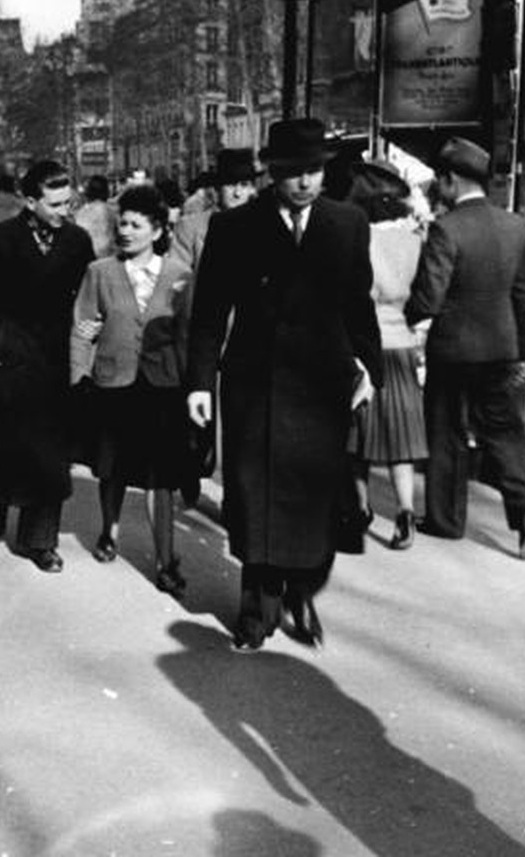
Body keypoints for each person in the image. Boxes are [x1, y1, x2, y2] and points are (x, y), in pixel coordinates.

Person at [186, 119, 382, 652]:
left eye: (314, 171)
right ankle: (257, 611)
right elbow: (208, 314)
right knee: (256, 498)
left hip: (323, 386)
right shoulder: (235, 228)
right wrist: (199, 383)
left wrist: (369, 369)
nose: (304, 183)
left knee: (311, 499)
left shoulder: (347, 224)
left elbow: (358, 307)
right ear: (273, 173)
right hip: (255, 385)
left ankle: (301, 593)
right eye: (294, 173)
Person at [404, 137, 525, 560]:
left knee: (445, 433)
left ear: (450, 181)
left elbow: (428, 298)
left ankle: (446, 520)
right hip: (502, 349)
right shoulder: (514, 225)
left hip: (453, 351)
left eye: (440, 181)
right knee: (504, 433)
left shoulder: (447, 229)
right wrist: (520, 352)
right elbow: (524, 295)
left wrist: (402, 318)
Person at [0, 161, 94, 573]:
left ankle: (41, 541)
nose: (64, 211)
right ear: (31, 201)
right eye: (54, 204)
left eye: (68, 202)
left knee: (51, 458)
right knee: (2, 452)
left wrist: (92, 324)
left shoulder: (77, 240)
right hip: (7, 360)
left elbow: (88, 294)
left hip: (55, 363)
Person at [71, 185, 191, 596]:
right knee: (113, 466)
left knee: (162, 477)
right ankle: (109, 532)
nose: (125, 231)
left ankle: (165, 560)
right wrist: (78, 375)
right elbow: (82, 326)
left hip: (162, 388)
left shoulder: (179, 277)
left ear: (157, 231)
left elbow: (188, 335)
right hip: (113, 382)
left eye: (136, 225)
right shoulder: (99, 272)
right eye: (122, 223)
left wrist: (195, 386)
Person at [346, 162, 427, 550]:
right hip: (403, 346)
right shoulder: (414, 241)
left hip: (365, 349)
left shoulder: (360, 241)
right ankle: (406, 511)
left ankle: (360, 508)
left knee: (358, 436)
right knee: (402, 438)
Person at [168, 148, 261, 273]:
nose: (237, 193)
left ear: (252, 189)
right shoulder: (191, 227)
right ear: (218, 188)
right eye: (231, 185)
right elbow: (177, 277)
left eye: (244, 185)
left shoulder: (262, 226)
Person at [73, 175, 119, 259]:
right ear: (106, 191)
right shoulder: (110, 211)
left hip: (84, 257)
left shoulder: (80, 212)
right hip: (105, 257)